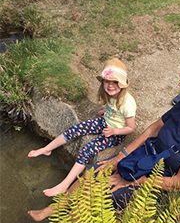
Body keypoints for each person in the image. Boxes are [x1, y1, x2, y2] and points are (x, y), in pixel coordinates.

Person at [22, 62, 180, 223]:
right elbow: (154, 128)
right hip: (150, 154)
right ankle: (56, 208)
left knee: (105, 196)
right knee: (95, 170)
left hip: (165, 180)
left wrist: (133, 181)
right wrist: (120, 157)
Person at [28, 58, 136, 197]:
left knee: (87, 150)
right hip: (106, 122)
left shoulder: (127, 103)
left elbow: (131, 127)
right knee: (75, 129)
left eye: (115, 82)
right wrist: (108, 111)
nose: (110, 85)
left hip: (116, 133)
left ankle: (64, 185)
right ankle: (47, 149)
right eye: (107, 81)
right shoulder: (111, 94)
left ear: (122, 84)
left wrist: (115, 131)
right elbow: (113, 108)